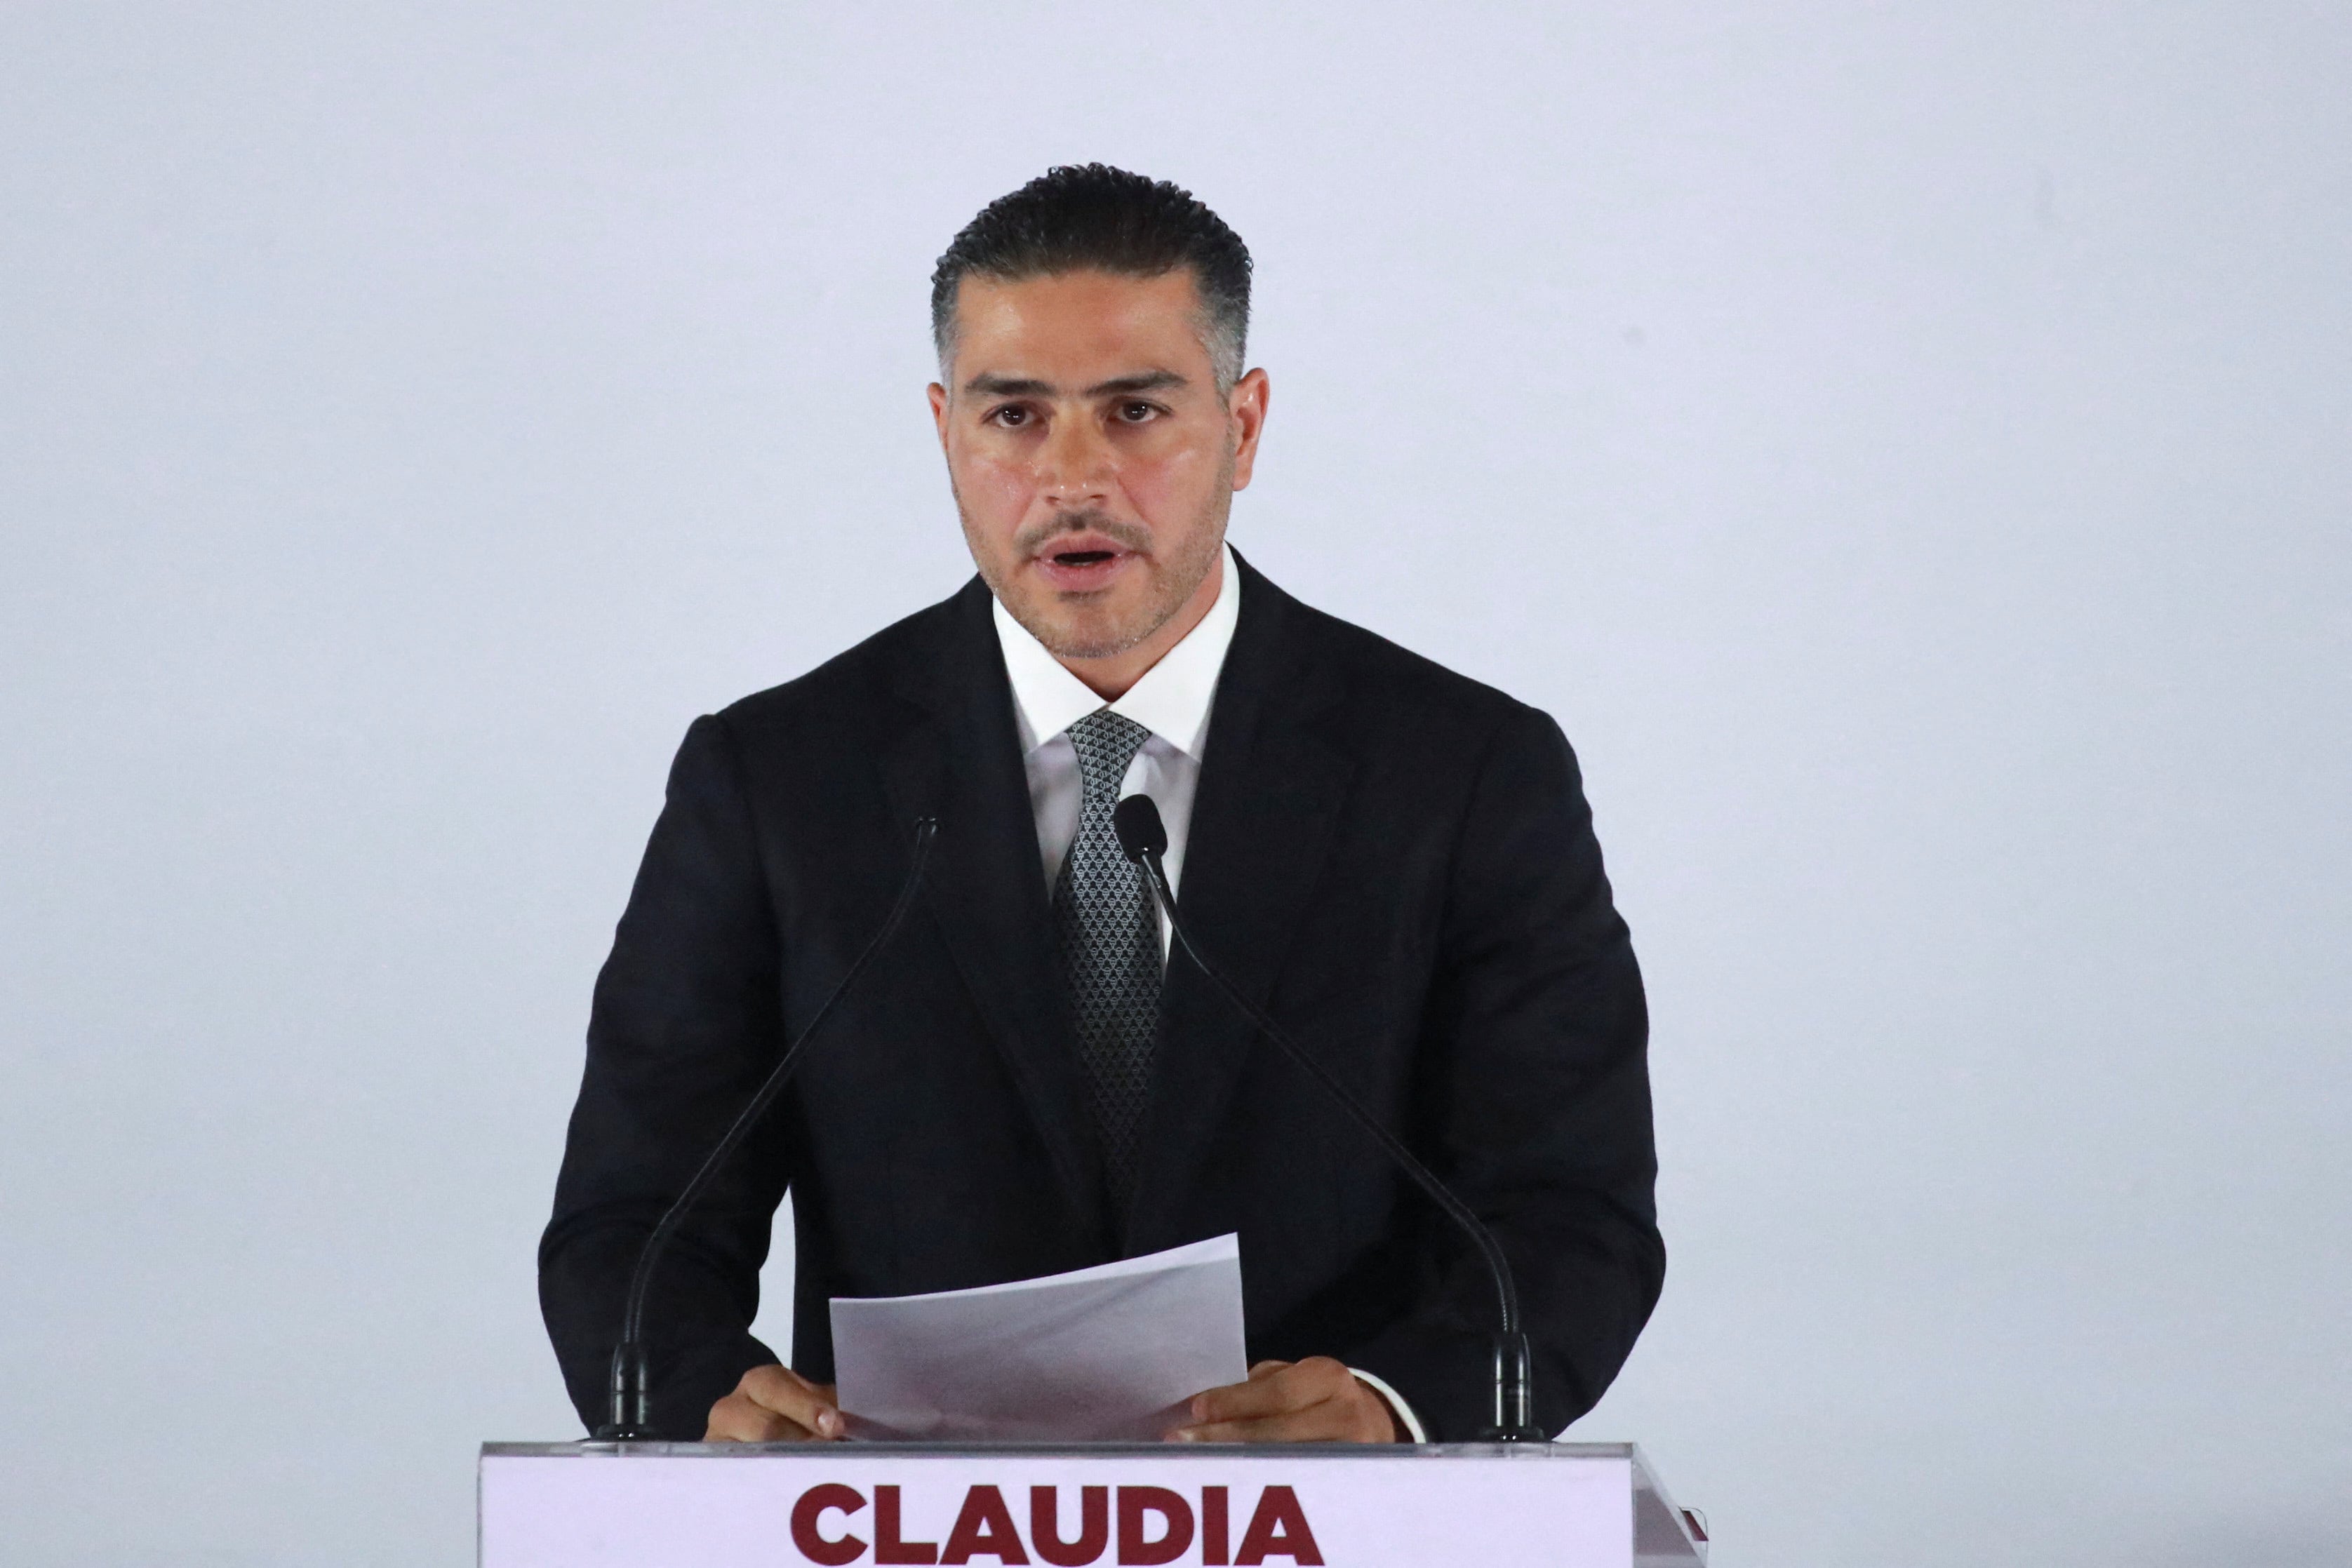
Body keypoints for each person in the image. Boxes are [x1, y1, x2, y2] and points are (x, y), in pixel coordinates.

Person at [539, 164, 1664, 1445]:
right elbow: (634, 1223)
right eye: (1014, 417)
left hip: (1326, 1531)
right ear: (944, 428)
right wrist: (706, 1407)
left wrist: (1399, 1407)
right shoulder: (777, 779)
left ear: (1244, 427)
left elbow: (1572, 1215)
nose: (1074, 478)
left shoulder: (1465, 773)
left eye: (1135, 411)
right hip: (905, 1525)